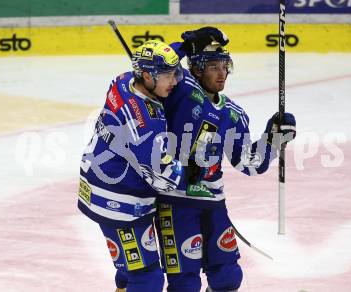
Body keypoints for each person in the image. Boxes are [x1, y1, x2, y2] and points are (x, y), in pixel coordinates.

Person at [154, 27, 297, 292]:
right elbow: (156, 64)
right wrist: (185, 46)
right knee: (185, 283)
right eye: (213, 66)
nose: (222, 74)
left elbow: (249, 163)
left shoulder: (234, 114)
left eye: (225, 66)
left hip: (213, 204)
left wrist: (273, 139)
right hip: (175, 202)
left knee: (228, 278)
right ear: (196, 69)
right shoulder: (179, 89)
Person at [77, 40, 184, 292]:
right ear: (147, 76)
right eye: (168, 76)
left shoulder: (122, 82)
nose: (175, 82)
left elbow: (153, 61)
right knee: (146, 277)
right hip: (119, 201)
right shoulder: (147, 123)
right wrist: (190, 169)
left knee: (130, 267)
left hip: (97, 182)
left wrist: (182, 46)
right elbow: (164, 178)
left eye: (175, 73)